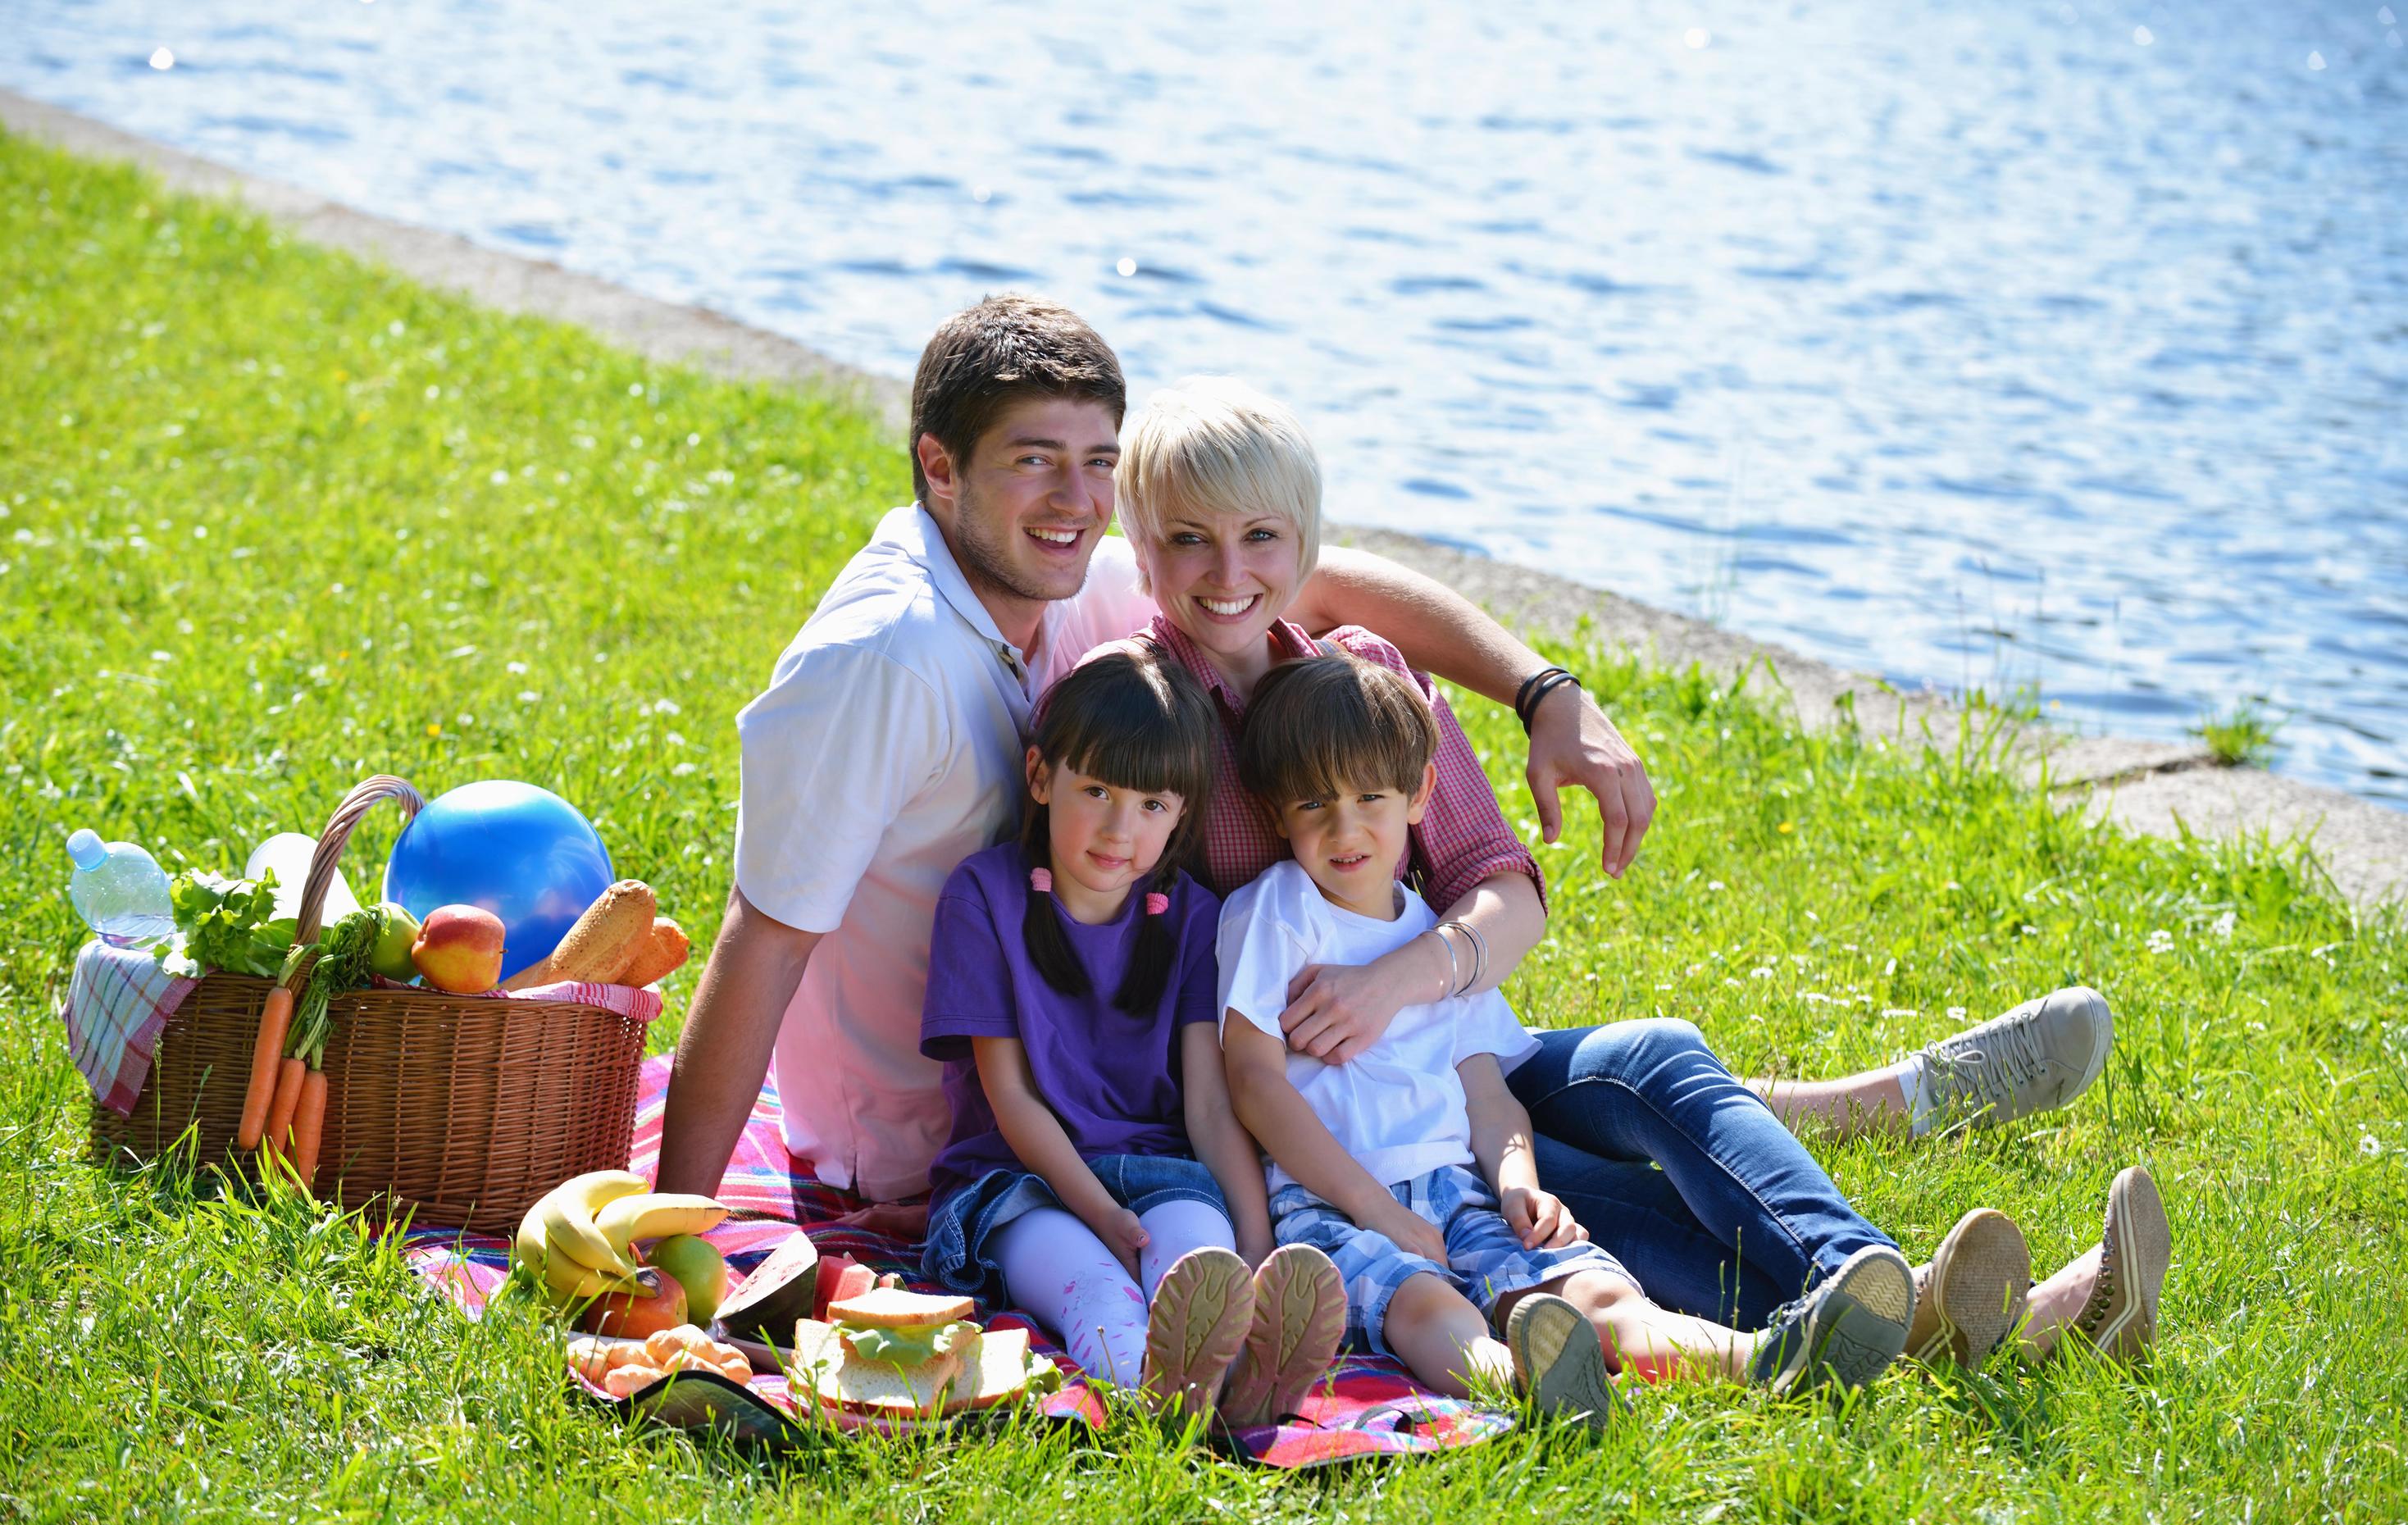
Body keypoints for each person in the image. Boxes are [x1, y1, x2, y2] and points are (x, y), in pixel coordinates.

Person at [1104, 375, 2170, 1368]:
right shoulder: (1143, 723)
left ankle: (1870, 1277)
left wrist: (1406, 976)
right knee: (1586, 1207)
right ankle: (1951, 1324)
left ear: (1302, 545)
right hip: (1342, 1120)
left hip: (1462, 1049)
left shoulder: (1366, 674)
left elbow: (1502, 889)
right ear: (1140, 552)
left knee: (1656, 1056)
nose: (1228, 570)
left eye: (1259, 538)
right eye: (1189, 541)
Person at [657, 294, 1658, 1212]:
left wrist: (1543, 691)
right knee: (1480, 1158)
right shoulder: (883, 659)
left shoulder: (1048, 569)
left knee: (1573, 1082)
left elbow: (1322, 580)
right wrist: (674, 1234)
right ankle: (1715, 1259)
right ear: (940, 465)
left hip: (1139, 1068)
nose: (1075, 498)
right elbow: (764, 939)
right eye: (1035, 458)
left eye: (1098, 462)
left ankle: (1740, 1129)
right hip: (960, 1130)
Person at [1219, 651, 1919, 1419]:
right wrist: (1374, 1207)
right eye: (1313, 804)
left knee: (1596, 1289)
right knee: (1426, 1311)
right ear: (1276, 810)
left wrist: (1520, 1183)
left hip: (1462, 1190)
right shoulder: (1278, 909)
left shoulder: (1431, 937)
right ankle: (1528, 1385)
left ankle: (1772, 1361)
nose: (1343, 828)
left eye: (1368, 798)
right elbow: (1253, 1082)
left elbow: (1486, 1097)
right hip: (1333, 1199)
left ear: (1419, 794)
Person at [917, 647, 1345, 1422]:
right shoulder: (983, 896)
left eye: (1153, 804)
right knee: (1096, 1289)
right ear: (1041, 777)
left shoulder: (1192, 920)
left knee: (1200, 1267)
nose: (1121, 828)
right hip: (1019, 1185)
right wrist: (1097, 1210)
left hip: (1159, 1172)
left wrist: (1256, 1244)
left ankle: (1241, 1378)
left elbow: (1211, 1110)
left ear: (1183, 813)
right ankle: (1159, 1404)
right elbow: (1009, 1098)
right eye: (1097, 791)